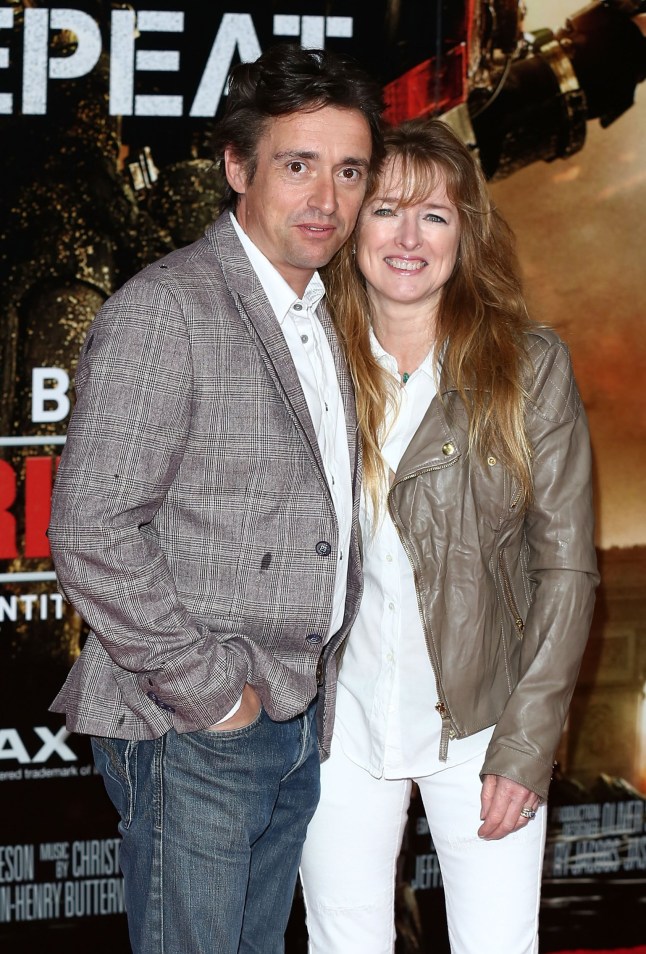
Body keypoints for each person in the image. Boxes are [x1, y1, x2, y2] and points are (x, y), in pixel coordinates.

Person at [47, 45, 384, 954]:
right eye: (298, 164)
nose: (326, 199)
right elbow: (89, 532)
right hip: (193, 730)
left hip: (287, 717)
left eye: (348, 170)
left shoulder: (320, 316)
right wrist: (213, 699)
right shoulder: (169, 310)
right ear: (238, 167)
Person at [300, 118, 599, 954]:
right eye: (385, 209)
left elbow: (568, 570)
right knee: (343, 943)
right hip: (338, 728)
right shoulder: (307, 362)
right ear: (351, 226)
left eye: (434, 215)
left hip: (483, 729)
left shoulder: (528, 366)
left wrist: (527, 743)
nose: (407, 237)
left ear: (466, 234)